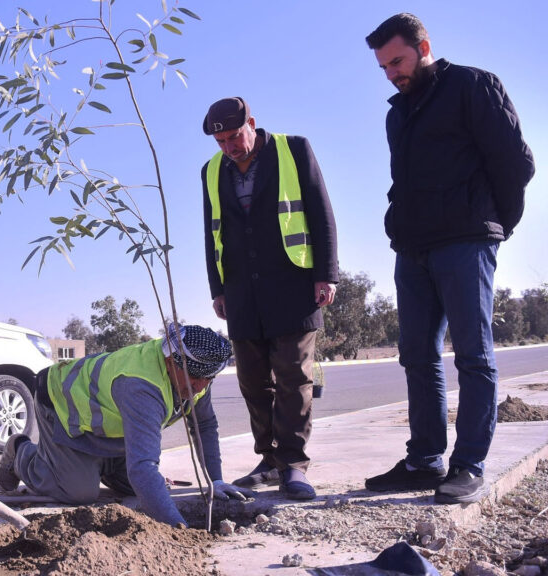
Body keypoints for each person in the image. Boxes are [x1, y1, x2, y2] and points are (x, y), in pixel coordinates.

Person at [362, 14, 535, 504]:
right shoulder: (398, 114)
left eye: (397, 60)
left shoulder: (472, 86)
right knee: (416, 356)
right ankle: (424, 459)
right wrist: (397, 224)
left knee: (474, 356)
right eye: (383, 67)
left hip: (466, 241)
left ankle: (468, 465)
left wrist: (493, 227)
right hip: (413, 249)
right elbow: (404, 182)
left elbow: (516, 164)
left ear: (424, 46)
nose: (392, 72)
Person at [201, 97, 339, 501]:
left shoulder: (294, 149)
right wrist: (218, 289)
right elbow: (211, 233)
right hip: (242, 291)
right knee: (252, 381)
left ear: (252, 124)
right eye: (221, 141)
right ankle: (268, 461)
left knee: (294, 375)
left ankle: (293, 464)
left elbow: (321, 212)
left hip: (294, 283)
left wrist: (326, 273)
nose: (230, 146)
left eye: (235, 136)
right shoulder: (210, 172)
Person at [0, 323, 253, 528]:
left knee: (149, 489)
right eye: (193, 378)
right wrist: (177, 529)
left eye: (207, 380)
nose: (198, 387)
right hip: (62, 402)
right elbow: (142, 469)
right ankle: (21, 452)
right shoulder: (140, 385)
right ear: (169, 361)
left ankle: (102, 464)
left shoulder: (197, 378)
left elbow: (205, 425)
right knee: (79, 493)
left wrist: (215, 480)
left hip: (107, 427)